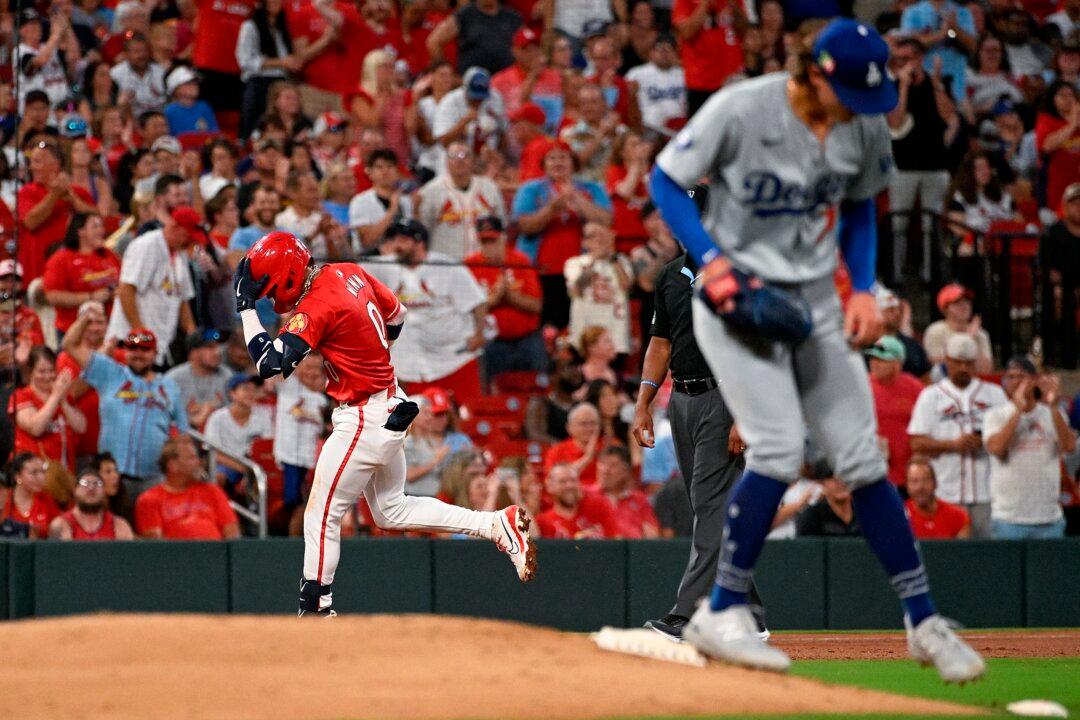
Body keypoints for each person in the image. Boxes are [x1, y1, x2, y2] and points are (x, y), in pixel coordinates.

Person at [650, 18, 985, 680]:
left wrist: (862, 287)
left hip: (812, 306)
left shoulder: (860, 122)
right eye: (851, 95)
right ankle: (720, 613)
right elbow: (667, 181)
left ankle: (922, 621)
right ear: (814, 72)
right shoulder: (744, 107)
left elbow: (863, 208)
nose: (862, 111)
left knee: (863, 457)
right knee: (776, 448)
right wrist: (711, 258)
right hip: (736, 305)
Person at [233, 230, 537, 616]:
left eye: (270, 288)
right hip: (389, 396)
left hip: (363, 414)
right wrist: (367, 354)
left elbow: (269, 365)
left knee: (322, 514)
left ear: (290, 274)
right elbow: (397, 315)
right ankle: (496, 524)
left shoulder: (317, 306)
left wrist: (245, 309)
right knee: (390, 510)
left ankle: (316, 610)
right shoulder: (347, 271)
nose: (270, 298)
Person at [633, 248, 762, 642]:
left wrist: (744, 412)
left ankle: (685, 614)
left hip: (725, 395)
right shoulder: (671, 274)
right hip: (682, 398)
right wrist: (643, 402)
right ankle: (750, 612)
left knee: (708, 504)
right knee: (708, 506)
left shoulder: (739, 272)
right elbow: (661, 343)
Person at [63, 311, 189, 495]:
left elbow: (182, 431)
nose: (138, 354)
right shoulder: (110, 372)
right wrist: (85, 319)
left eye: (145, 349)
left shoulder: (169, 386)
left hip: (153, 477)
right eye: (133, 348)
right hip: (111, 477)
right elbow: (70, 344)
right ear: (126, 351)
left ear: (155, 353)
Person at [368, 219, 488, 401]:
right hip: (413, 365)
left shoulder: (447, 266)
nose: (396, 246)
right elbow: (347, 266)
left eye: (403, 240)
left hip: (454, 359)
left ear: (419, 242)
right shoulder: (384, 266)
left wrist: (479, 334)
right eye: (394, 240)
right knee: (419, 419)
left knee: (467, 415)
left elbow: (477, 302)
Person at [908, 334, 1008, 538]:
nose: (963, 368)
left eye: (968, 363)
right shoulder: (931, 395)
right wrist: (953, 444)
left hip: (987, 492)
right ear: (947, 360)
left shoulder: (995, 394)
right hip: (946, 491)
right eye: (957, 362)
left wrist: (985, 442)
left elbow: (1009, 440)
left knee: (988, 557)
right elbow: (916, 442)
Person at [512, 141, 613, 329]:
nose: (557, 162)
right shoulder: (530, 189)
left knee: (581, 327)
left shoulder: (592, 188)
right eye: (552, 158)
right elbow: (524, 226)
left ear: (573, 163)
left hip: (585, 271)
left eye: (563, 157)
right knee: (545, 328)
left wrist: (577, 198)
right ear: (544, 165)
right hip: (540, 271)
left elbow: (606, 220)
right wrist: (551, 209)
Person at [887, 37, 961, 284]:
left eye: (908, 58)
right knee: (899, 223)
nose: (904, 64)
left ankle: (931, 276)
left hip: (935, 164)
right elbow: (895, 122)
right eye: (899, 59)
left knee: (933, 225)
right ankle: (897, 276)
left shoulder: (936, 83)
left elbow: (949, 116)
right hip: (903, 165)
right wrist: (904, 87)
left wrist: (937, 85)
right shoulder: (893, 85)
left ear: (920, 58)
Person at [983, 358, 1076, 539]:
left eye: (1021, 376)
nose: (1015, 382)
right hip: (1008, 519)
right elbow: (997, 449)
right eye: (1010, 377)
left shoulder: (1052, 413)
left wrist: (1054, 407)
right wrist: (1018, 411)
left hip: (1048, 518)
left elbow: (1069, 446)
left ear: (1034, 380)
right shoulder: (995, 415)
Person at [106, 206, 201, 366]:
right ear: (174, 227)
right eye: (187, 236)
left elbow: (182, 298)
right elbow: (126, 290)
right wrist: (141, 334)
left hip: (158, 345)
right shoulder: (146, 245)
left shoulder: (180, 254)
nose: (189, 242)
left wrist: (194, 337)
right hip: (130, 342)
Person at [464, 215, 545, 380]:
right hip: (492, 344)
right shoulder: (470, 265)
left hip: (528, 341)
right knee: (495, 393)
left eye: (492, 241)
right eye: (484, 242)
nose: (488, 247)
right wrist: (496, 296)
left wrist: (510, 295)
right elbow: (467, 311)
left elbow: (536, 305)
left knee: (536, 390)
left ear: (503, 238)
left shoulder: (520, 261)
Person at [17, 143, 97, 283]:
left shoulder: (78, 192)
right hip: (38, 273)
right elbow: (30, 222)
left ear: (55, 165)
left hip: (74, 272)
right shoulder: (27, 192)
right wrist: (54, 194)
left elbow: (98, 218)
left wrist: (74, 200)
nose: (31, 167)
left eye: (37, 162)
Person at [135, 435, 240, 540]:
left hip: (216, 554)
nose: (199, 462)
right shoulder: (149, 499)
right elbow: (156, 544)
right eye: (192, 458)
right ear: (173, 465)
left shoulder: (212, 491)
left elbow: (232, 533)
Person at [415, 142, 506, 260]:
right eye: (453, 156)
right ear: (446, 162)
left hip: (482, 264)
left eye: (465, 155)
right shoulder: (430, 191)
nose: (459, 160)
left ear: (473, 160)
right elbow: (422, 231)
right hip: (446, 264)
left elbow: (502, 226)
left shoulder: (489, 188)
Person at [273, 352, 329, 529]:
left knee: (310, 505)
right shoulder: (288, 387)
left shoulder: (322, 398)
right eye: (308, 367)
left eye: (317, 369)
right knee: (294, 503)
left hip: (312, 459)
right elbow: (277, 370)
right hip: (288, 457)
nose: (312, 373)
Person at [11, 346, 86, 478]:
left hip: (64, 473)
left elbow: (81, 427)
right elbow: (35, 428)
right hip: (33, 476)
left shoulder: (63, 396)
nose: (48, 376)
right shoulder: (21, 396)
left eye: (52, 371)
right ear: (30, 371)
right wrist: (56, 396)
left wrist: (62, 400)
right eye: (41, 371)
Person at [42, 213, 121, 337]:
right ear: (80, 231)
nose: (102, 230)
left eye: (101, 226)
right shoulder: (61, 259)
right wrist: (90, 297)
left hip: (109, 327)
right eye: (95, 226)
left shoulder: (109, 254)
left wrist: (116, 293)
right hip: (73, 330)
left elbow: (122, 281)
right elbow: (52, 295)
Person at [564, 222, 635, 357]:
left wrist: (612, 258)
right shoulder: (574, 263)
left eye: (603, 235)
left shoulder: (621, 261)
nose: (599, 240)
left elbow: (627, 285)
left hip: (616, 338)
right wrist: (595, 259)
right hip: (584, 338)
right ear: (584, 242)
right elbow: (576, 289)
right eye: (593, 236)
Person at [866, 336, 926, 489]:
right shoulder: (863, 387)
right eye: (872, 358)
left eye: (881, 359)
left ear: (897, 363)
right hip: (873, 472)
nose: (874, 364)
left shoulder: (915, 388)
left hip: (909, 475)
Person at [672, 0, 748, 116]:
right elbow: (686, 32)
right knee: (701, 131)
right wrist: (705, 4)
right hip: (700, 81)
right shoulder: (684, 2)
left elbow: (745, 30)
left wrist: (734, 6)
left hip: (731, 79)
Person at [203, 373, 273, 490]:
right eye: (246, 389)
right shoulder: (217, 417)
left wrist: (252, 470)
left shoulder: (263, 415)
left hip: (255, 464)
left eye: (254, 389)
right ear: (232, 393)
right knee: (219, 476)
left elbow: (266, 447)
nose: (251, 393)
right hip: (228, 464)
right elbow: (213, 453)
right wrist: (245, 469)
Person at [899, 0, 976, 101]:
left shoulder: (963, 12)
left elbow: (973, 47)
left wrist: (955, 28)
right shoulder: (912, 12)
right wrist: (941, 34)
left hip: (956, 81)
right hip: (923, 80)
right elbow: (909, 45)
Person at [404, 387, 474, 498]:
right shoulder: (409, 441)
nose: (441, 419)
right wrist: (436, 460)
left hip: (451, 497)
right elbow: (409, 475)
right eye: (436, 414)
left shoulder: (460, 440)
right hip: (418, 497)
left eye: (444, 414)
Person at [1039, 182, 1080, 369]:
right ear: (1065, 206)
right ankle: (1060, 356)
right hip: (1062, 287)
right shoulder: (1054, 233)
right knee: (1059, 298)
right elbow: (1048, 270)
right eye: (1074, 203)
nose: (1079, 207)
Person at [348, 149, 414, 252]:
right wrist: (392, 210)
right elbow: (367, 240)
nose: (385, 171)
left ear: (397, 171)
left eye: (390, 166)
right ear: (369, 172)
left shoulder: (406, 201)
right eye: (379, 167)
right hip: (371, 261)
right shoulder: (360, 201)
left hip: (402, 261)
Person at [535, 462, 622, 538]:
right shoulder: (542, 522)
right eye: (563, 481)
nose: (569, 486)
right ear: (550, 486)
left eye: (573, 480)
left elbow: (617, 542)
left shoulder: (599, 508)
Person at [922, 283, 994, 373]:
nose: (964, 306)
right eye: (957, 303)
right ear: (945, 309)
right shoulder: (935, 331)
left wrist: (975, 338)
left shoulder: (981, 334)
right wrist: (969, 338)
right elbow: (939, 367)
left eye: (967, 301)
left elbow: (985, 371)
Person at [626, 35, 687, 139]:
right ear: (651, 52)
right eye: (659, 49)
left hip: (679, 130)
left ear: (676, 53)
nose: (664, 53)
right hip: (648, 130)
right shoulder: (636, 73)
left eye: (668, 49)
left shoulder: (684, 74)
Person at [48, 468, 135, 540]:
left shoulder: (119, 525)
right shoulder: (61, 524)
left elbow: (129, 558)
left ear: (104, 491)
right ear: (75, 490)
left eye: (97, 484)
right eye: (85, 483)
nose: (91, 488)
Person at [596, 445, 658, 538]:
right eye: (602, 463)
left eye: (613, 465)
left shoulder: (640, 500)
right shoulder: (585, 495)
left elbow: (652, 535)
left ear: (626, 471)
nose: (605, 470)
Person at [543, 402, 609, 488]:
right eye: (583, 424)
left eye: (593, 423)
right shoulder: (557, 451)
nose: (589, 428)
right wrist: (587, 458)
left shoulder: (610, 446)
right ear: (569, 428)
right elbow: (552, 482)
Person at [904, 456, 971, 539]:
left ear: (935, 483)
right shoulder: (898, 517)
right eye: (914, 481)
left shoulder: (958, 517)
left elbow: (962, 551)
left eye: (926, 480)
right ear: (907, 486)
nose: (920, 487)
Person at [877, 288, 932, 380]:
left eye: (898, 309)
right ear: (877, 312)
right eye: (890, 310)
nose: (896, 313)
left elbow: (925, 377)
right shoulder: (866, 345)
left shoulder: (913, 345)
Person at [0, 453, 59, 538]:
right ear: (18, 476)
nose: (41, 477)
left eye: (42, 472)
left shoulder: (47, 500)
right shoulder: (3, 498)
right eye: (34, 473)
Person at [163, 66, 220, 137]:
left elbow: (214, 134)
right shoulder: (170, 112)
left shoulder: (204, 106)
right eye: (188, 83)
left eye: (195, 83)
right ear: (176, 89)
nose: (194, 86)